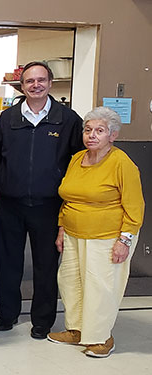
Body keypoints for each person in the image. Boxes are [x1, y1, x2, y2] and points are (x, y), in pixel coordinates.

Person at [0, 61, 84, 339]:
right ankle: (7, 314)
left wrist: (69, 203)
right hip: (9, 203)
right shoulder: (8, 119)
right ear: (22, 85)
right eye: (30, 81)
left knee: (46, 265)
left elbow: (78, 163)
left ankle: (42, 321)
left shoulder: (68, 119)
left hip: (49, 206)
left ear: (50, 83)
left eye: (41, 80)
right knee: (8, 262)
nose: (35, 85)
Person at [49, 107, 144, 358]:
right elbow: (68, 197)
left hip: (108, 236)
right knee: (71, 283)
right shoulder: (76, 159)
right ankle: (77, 330)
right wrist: (61, 227)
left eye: (99, 131)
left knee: (100, 287)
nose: (92, 135)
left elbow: (135, 207)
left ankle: (102, 337)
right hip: (73, 233)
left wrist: (125, 240)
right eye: (88, 130)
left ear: (112, 135)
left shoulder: (122, 163)